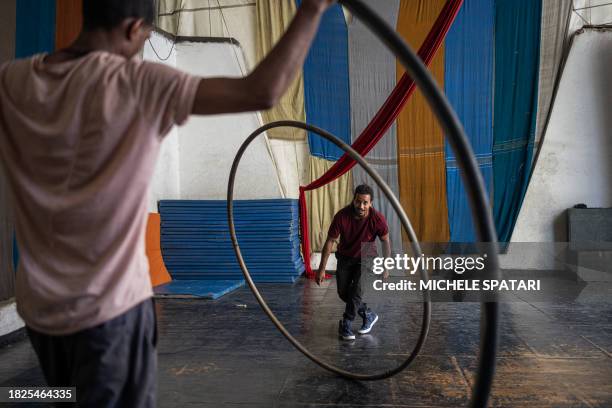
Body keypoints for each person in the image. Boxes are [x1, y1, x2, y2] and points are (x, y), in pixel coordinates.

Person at [0, 0, 334, 405]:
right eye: (143, 38)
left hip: (41, 307)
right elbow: (261, 90)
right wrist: (312, 10)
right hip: (108, 313)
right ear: (134, 28)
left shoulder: (14, 80)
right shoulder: (138, 83)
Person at [316, 184, 391, 341]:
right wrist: (321, 269)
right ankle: (368, 314)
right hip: (345, 257)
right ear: (353, 200)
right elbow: (330, 241)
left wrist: (386, 266)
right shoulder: (342, 216)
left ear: (371, 203)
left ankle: (346, 323)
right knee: (344, 293)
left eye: (365, 202)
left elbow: (385, 241)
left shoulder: (377, 219)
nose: (361, 206)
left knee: (356, 290)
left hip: (367, 256)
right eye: (358, 201)